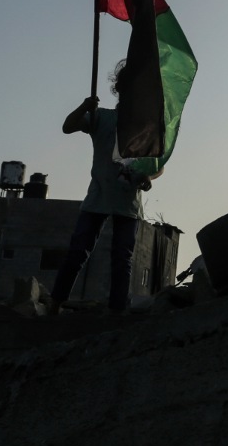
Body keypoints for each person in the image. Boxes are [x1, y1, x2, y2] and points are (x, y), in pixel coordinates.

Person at [50, 62, 152, 314]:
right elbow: (68, 126)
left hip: (128, 203)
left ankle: (117, 311)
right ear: (120, 89)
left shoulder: (144, 127)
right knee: (78, 253)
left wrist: (148, 177)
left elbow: (157, 163)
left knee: (121, 259)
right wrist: (85, 106)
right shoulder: (103, 118)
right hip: (98, 197)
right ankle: (55, 303)